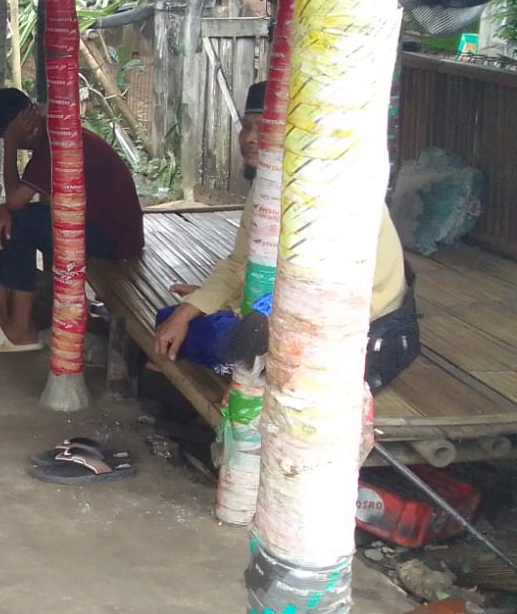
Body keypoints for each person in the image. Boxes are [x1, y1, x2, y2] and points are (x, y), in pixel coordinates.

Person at [154, 81, 420, 392]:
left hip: (353, 330)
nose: (250, 138)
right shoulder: (269, 181)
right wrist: (194, 307)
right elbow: (240, 262)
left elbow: (317, 295)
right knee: (171, 319)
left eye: (265, 129)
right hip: (288, 310)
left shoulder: (334, 190)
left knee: (213, 338)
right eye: (246, 126)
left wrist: (233, 309)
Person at [0, 87, 144, 353]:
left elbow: (15, 200)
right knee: (0, 217)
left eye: (11, 136)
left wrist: (10, 145)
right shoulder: (51, 135)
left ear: (25, 127)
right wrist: (1, 209)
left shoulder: (56, 143)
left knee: (15, 225)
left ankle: (22, 331)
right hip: (91, 223)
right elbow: (21, 201)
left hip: (114, 238)